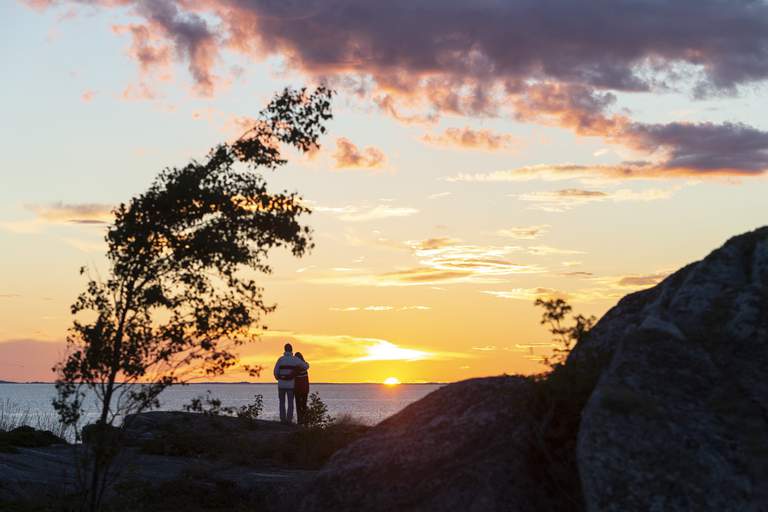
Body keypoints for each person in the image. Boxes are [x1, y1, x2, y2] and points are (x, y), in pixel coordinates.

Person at [273, 343, 309, 424]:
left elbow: (275, 372)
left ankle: (282, 419)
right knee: (290, 403)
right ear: (291, 350)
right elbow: (305, 367)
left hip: (281, 385)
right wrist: (306, 364)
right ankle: (289, 420)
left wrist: (279, 378)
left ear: (284, 349)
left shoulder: (280, 359)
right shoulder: (294, 359)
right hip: (290, 385)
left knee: (281, 403)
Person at [293, 352, 310, 425]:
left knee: (298, 406)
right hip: (305, 390)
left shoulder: (296, 368)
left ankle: (300, 421)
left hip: (297, 389)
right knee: (304, 405)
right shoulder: (305, 367)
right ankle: (305, 421)